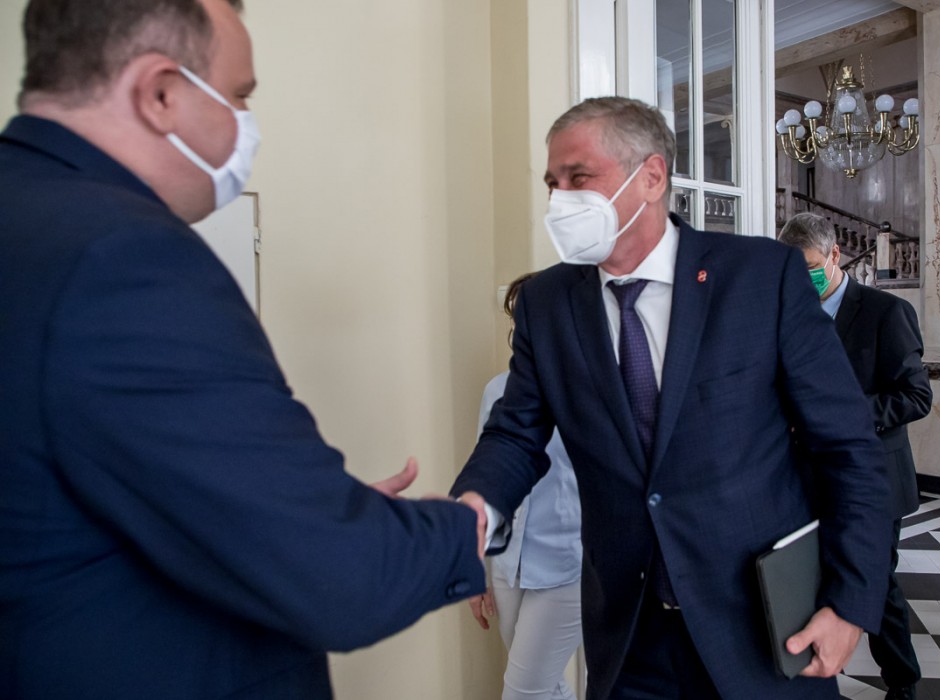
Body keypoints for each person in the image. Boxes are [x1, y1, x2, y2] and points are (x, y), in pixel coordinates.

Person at [0, 1, 486, 698]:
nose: (245, 122)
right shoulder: (128, 259)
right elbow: (342, 576)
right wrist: (458, 526)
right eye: (238, 96)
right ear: (160, 93)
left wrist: (286, 505)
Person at [452, 96, 892, 700]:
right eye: (553, 183)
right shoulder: (547, 304)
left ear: (652, 177)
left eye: (579, 178)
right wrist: (474, 506)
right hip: (631, 638)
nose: (560, 200)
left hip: (763, 629)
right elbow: (515, 434)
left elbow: (849, 448)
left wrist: (850, 603)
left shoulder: (761, 278)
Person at [779, 212, 933, 700]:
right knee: (805, 578)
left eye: (809, 267)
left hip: (872, 478)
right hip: (805, 475)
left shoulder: (885, 312)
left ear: (834, 255)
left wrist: (843, 415)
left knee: (875, 581)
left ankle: (902, 680)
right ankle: (809, 672)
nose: (801, 279)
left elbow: (916, 396)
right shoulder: (788, 316)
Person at [469, 272, 584, 700]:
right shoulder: (496, 392)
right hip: (508, 566)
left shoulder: (587, 392)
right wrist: (477, 571)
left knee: (522, 692)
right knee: (546, 686)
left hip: (569, 566)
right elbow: (488, 483)